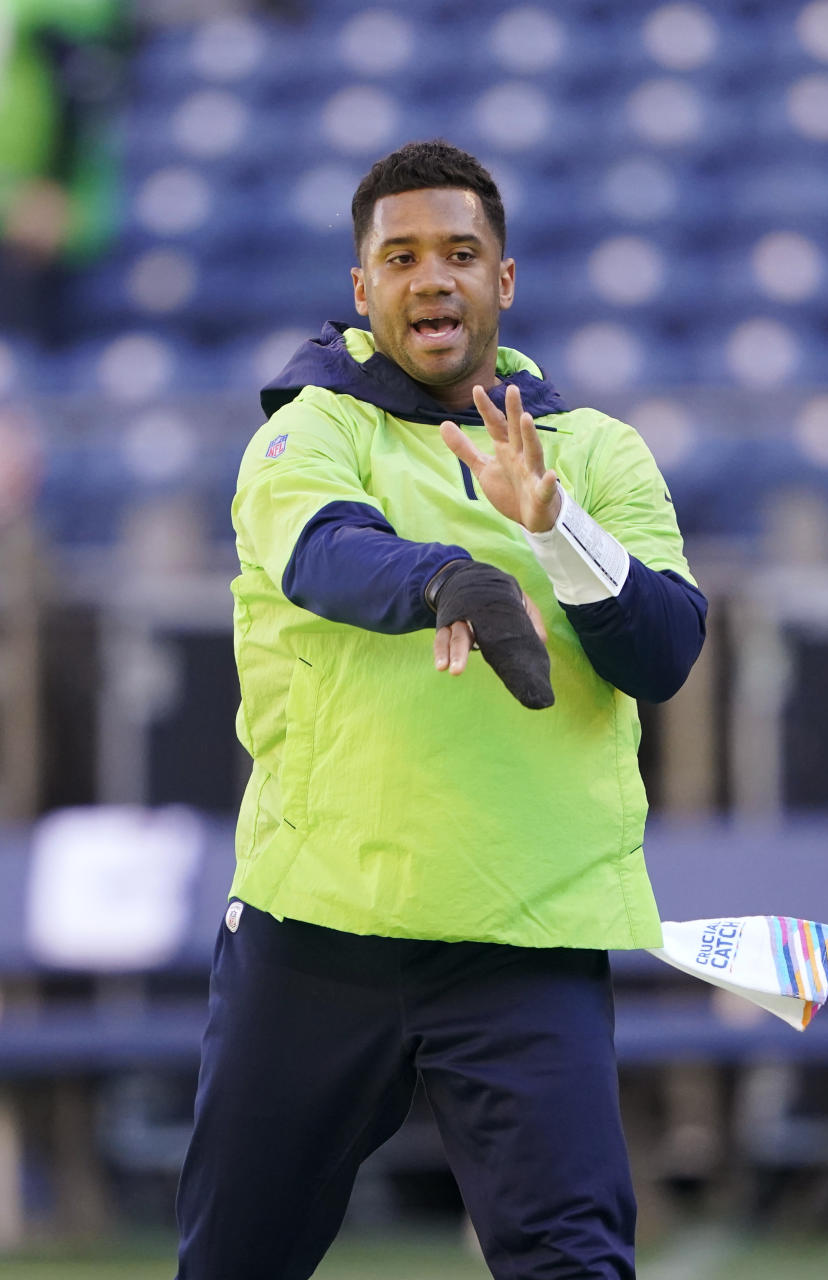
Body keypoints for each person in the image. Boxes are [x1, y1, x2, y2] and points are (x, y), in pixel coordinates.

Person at [175, 139, 707, 1280]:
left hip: (526, 930)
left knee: (573, 1261)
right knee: (232, 1262)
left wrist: (555, 528)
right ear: (362, 289)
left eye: (461, 253)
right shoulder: (307, 431)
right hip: (318, 927)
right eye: (402, 256)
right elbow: (323, 553)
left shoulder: (598, 454)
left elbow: (663, 649)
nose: (434, 278)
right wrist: (445, 579)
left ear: (502, 281)